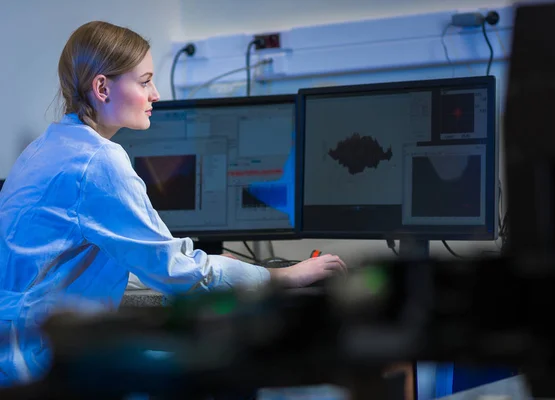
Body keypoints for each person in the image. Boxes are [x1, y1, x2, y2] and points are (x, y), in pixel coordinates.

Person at [0, 21, 347, 387]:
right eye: (145, 81)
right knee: (221, 370)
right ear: (102, 87)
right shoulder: (98, 161)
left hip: (20, 348)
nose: (157, 94)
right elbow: (178, 274)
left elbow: (76, 261)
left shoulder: (46, 146)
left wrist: (218, 268)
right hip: (36, 360)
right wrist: (280, 276)